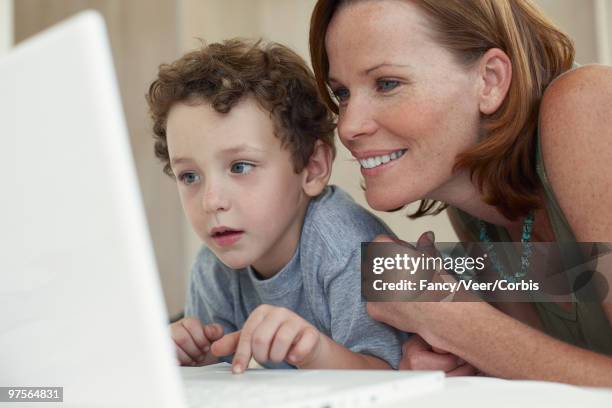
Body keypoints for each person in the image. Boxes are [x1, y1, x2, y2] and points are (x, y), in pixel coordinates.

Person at [309, 0, 612, 386]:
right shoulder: (472, 203)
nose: (348, 127)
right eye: (342, 93)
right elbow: (547, 378)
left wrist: (451, 320)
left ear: (489, 79)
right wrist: (458, 353)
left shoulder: (587, 105)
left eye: (387, 84)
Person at [146, 39, 406, 373]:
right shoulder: (214, 266)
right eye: (189, 176)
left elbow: (398, 380)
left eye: (240, 167)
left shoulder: (348, 252)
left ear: (312, 168)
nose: (212, 201)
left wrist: (314, 354)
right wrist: (196, 356)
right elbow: (227, 375)